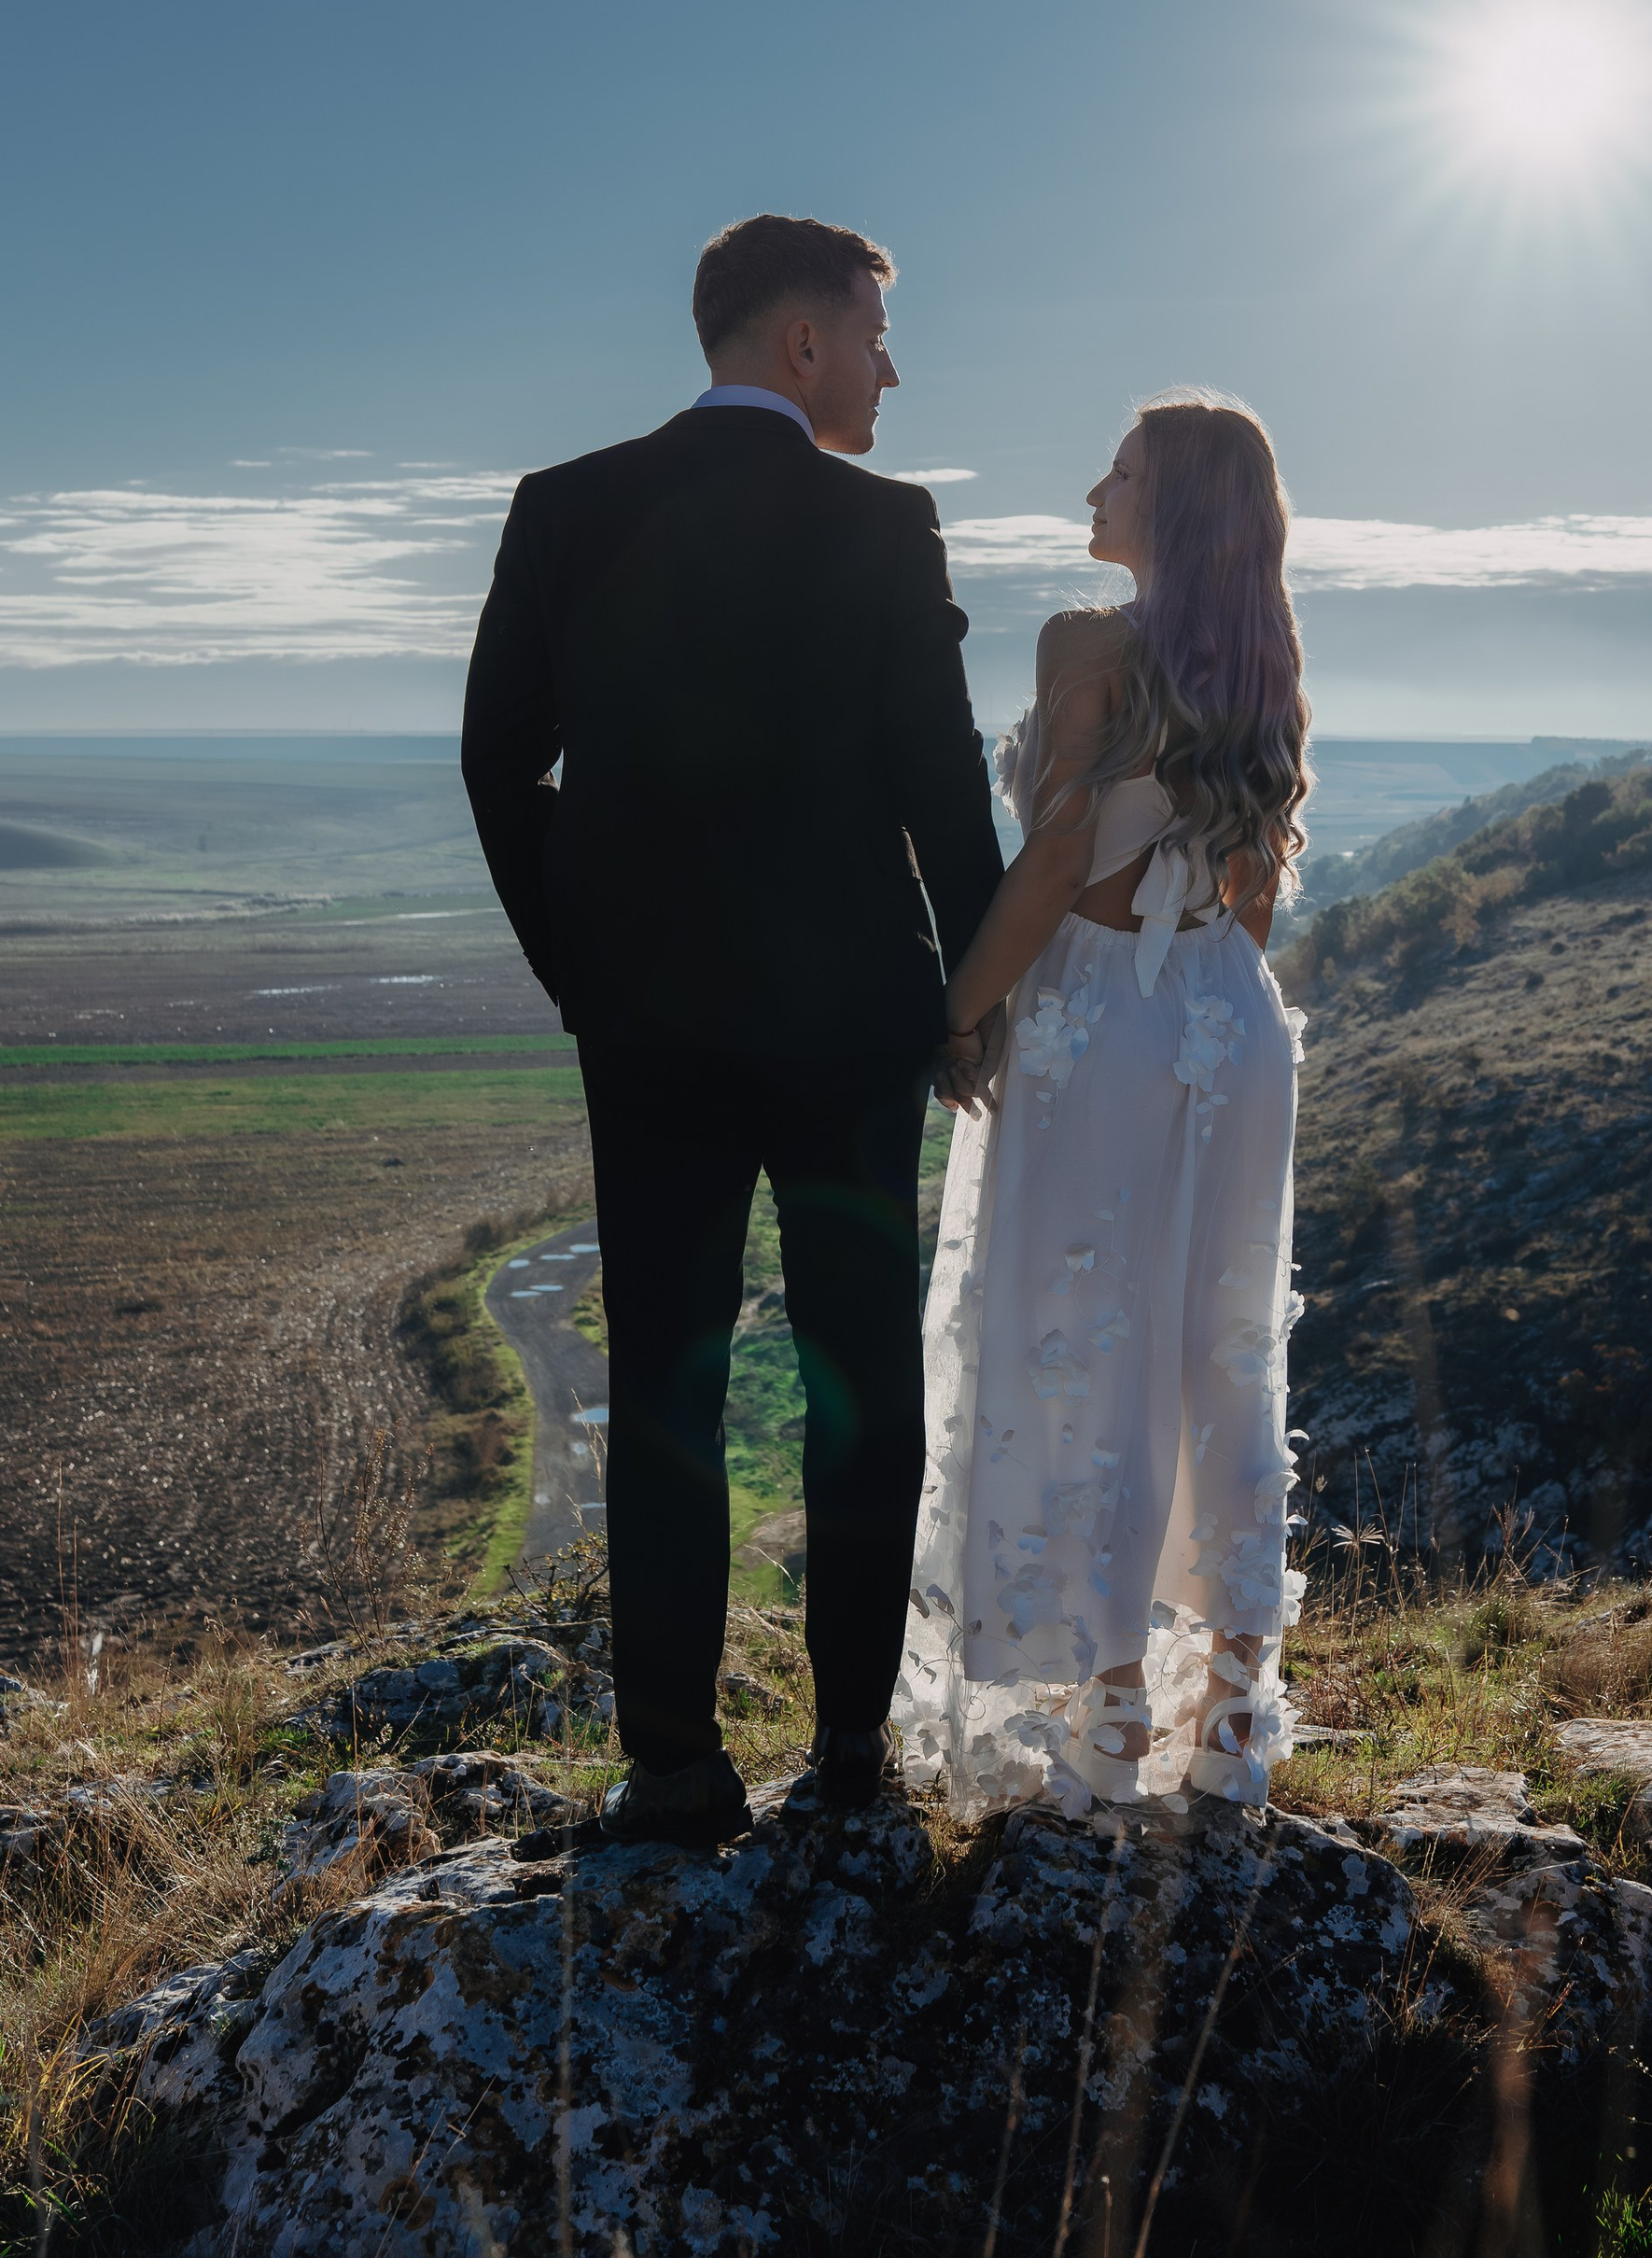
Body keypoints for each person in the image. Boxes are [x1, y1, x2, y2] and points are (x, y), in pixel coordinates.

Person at [462, 214, 1004, 1845]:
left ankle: (676, 1766)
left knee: (669, 1388)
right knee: (859, 1380)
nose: (894, 369)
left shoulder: (566, 510)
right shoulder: (889, 525)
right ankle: (849, 1753)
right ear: (802, 345)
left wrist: (587, 973)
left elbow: (502, 767)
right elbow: (941, 786)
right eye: (878, 334)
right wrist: (971, 998)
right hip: (849, 1030)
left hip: (650, 1036)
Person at [897, 393, 1310, 1817]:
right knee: (1221, 1342)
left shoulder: (1084, 645)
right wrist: (1202, 1008)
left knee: (1082, 1335)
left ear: (1169, 507)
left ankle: (1120, 1696)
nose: (1095, 486)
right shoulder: (1263, 656)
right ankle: (1242, 1703)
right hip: (1230, 1017)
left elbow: (1058, 859)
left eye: (1121, 471)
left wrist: (962, 1011)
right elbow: (1251, 888)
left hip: (1103, 1015)